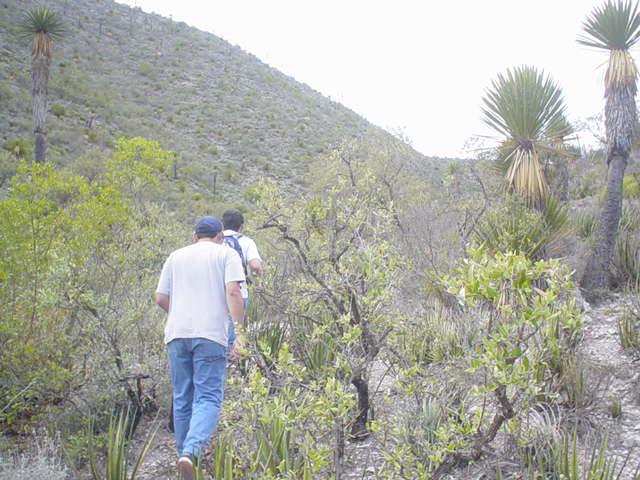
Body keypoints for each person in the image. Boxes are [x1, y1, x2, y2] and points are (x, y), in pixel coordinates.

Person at [155, 215, 245, 480]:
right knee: (207, 397)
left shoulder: (175, 256)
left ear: (194, 235)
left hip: (176, 334)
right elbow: (233, 292)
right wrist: (240, 333)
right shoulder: (226, 254)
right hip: (209, 334)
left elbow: (160, 297)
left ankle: (183, 458)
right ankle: (191, 453)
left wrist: (179, 314)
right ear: (219, 235)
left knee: (182, 397)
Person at [221, 209, 263, 358]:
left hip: (215, 292)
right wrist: (258, 277)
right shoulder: (246, 241)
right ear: (241, 225)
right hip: (239, 291)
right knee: (235, 326)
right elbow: (255, 265)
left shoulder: (215, 241)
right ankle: (232, 363)